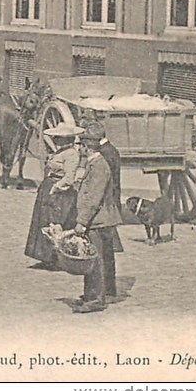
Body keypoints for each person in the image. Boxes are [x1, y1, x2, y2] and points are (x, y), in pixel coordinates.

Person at [71, 123, 122, 313]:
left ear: (86, 147)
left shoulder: (99, 166)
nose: (79, 149)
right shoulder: (94, 163)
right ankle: (90, 294)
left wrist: (81, 222)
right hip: (96, 220)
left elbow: (94, 197)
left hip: (98, 221)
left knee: (96, 259)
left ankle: (98, 299)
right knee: (91, 257)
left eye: (81, 146)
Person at [24, 124, 83, 266]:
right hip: (49, 188)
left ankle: (57, 257)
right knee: (44, 221)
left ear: (66, 139)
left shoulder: (71, 154)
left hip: (60, 194)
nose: (55, 140)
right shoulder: (60, 151)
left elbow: (69, 178)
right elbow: (44, 136)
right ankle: (46, 256)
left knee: (56, 223)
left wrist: (55, 188)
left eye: (58, 137)